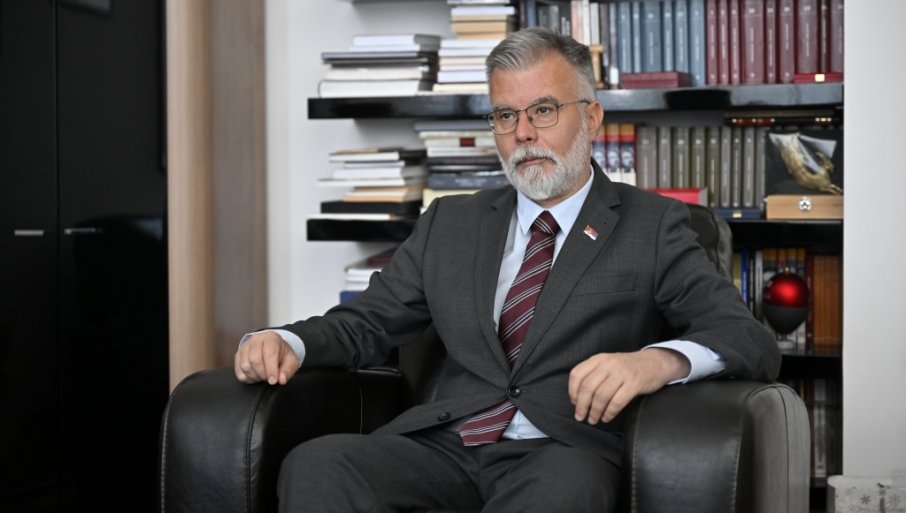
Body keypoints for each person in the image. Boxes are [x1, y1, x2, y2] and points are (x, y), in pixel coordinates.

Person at [234, 27, 780, 513]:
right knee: (319, 464)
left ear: (591, 117)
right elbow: (368, 322)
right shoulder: (450, 221)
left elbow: (746, 338)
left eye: (543, 110)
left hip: (565, 450)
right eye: (505, 115)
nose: (523, 133)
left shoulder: (652, 225)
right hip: (445, 444)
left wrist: (655, 362)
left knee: (562, 491)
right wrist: (287, 341)